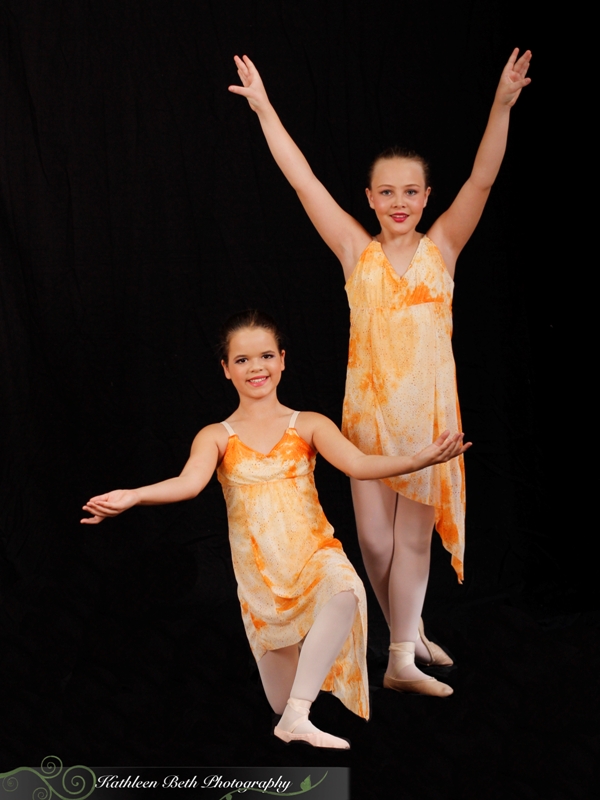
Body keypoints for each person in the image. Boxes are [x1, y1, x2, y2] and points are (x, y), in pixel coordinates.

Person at [228, 49, 531, 695]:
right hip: (366, 423)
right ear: (369, 198)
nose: (399, 202)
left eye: (410, 191)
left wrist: (502, 105)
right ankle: (408, 633)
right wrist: (264, 109)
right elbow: (303, 181)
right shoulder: (353, 250)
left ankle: (398, 660)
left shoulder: (442, 247)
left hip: (428, 422)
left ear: (427, 197)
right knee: (374, 541)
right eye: (386, 192)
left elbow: (482, 180)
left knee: (412, 542)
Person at [81, 310, 470, 747]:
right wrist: (134, 495)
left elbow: (359, 464)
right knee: (279, 699)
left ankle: (297, 718)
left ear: (282, 360)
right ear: (226, 369)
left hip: (314, 555)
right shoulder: (216, 435)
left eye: (266, 355)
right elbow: (189, 483)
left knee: (346, 589)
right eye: (242, 360)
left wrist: (418, 460)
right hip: (263, 580)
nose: (256, 367)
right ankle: (294, 703)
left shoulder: (309, 423)